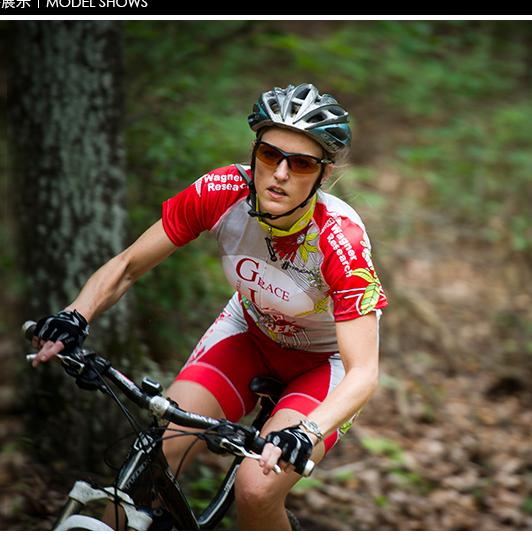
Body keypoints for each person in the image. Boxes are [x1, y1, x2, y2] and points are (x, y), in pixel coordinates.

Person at [30, 83, 388, 530]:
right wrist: (74, 315)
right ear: (254, 152)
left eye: (300, 163)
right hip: (249, 336)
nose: (279, 173)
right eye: (269, 155)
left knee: (255, 489)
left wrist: (307, 431)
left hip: (324, 364)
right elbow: (126, 266)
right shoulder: (221, 192)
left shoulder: (339, 240)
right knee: (148, 461)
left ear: (322, 173)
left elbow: (363, 372)